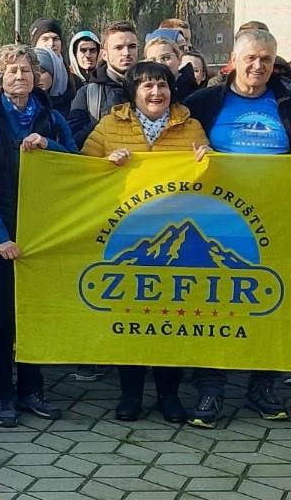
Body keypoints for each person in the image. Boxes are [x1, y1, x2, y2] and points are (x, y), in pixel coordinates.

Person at [182, 29, 291, 427]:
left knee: (269, 303)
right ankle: (211, 389)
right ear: (233, 60)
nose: (258, 66)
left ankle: (263, 387)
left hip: (279, 221)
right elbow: (177, 149)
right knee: (215, 305)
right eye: (251, 58)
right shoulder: (205, 102)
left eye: (266, 59)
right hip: (217, 222)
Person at [86, 61, 209, 423]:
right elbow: (81, 169)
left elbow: (213, 175)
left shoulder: (191, 126)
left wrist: (207, 159)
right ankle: (130, 395)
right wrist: (107, 163)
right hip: (126, 235)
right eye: (147, 86)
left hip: (176, 235)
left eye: (162, 86)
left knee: (170, 320)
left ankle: (169, 396)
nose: (156, 93)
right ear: (133, 92)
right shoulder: (110, 125)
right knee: (130, 319)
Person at [0, 45, 74, 426]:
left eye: (26, 70)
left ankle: (32, 387)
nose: (20, 77)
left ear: (37, 75)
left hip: (41, 240)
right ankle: (0, 393)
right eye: (11, 72)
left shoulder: (53, 118)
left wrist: (50, 146)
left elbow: (74, 168)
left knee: (35, 318)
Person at [67, 21, 140, 146]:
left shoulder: (153, 88)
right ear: (104, 54)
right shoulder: (88, 94)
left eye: (132, 46)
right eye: (118, 48)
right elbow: (73, 142)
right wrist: (107, 123)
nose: (126, 53)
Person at [66, 29, 102, 98]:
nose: (88, 55)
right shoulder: (66, 80)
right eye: (83, 50)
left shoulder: (106, 79)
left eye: (92, 50)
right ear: (74, 54)